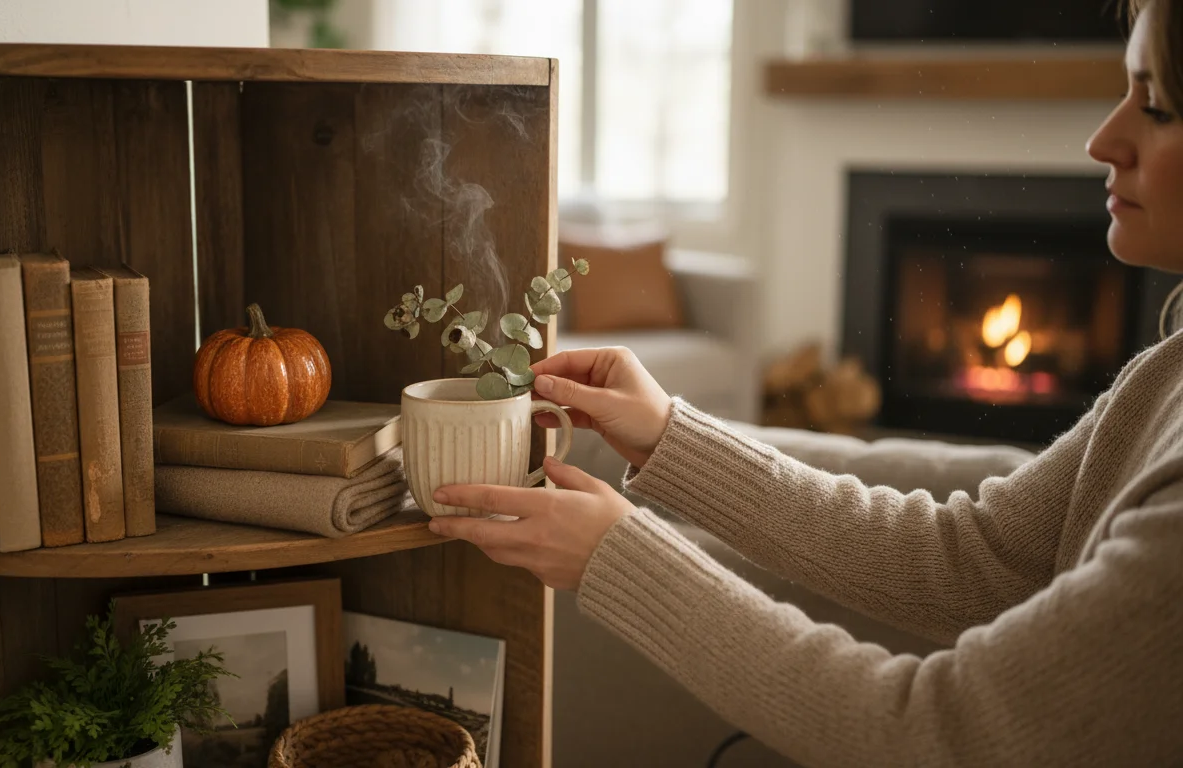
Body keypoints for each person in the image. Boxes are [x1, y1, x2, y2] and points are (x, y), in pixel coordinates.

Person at [425, 1, 1183, 765]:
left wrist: (620, 557)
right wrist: (671, 435)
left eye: (1155, 107)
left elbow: (938, 734)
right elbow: (971, 555)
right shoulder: (1169, 369)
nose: (1103, 139)